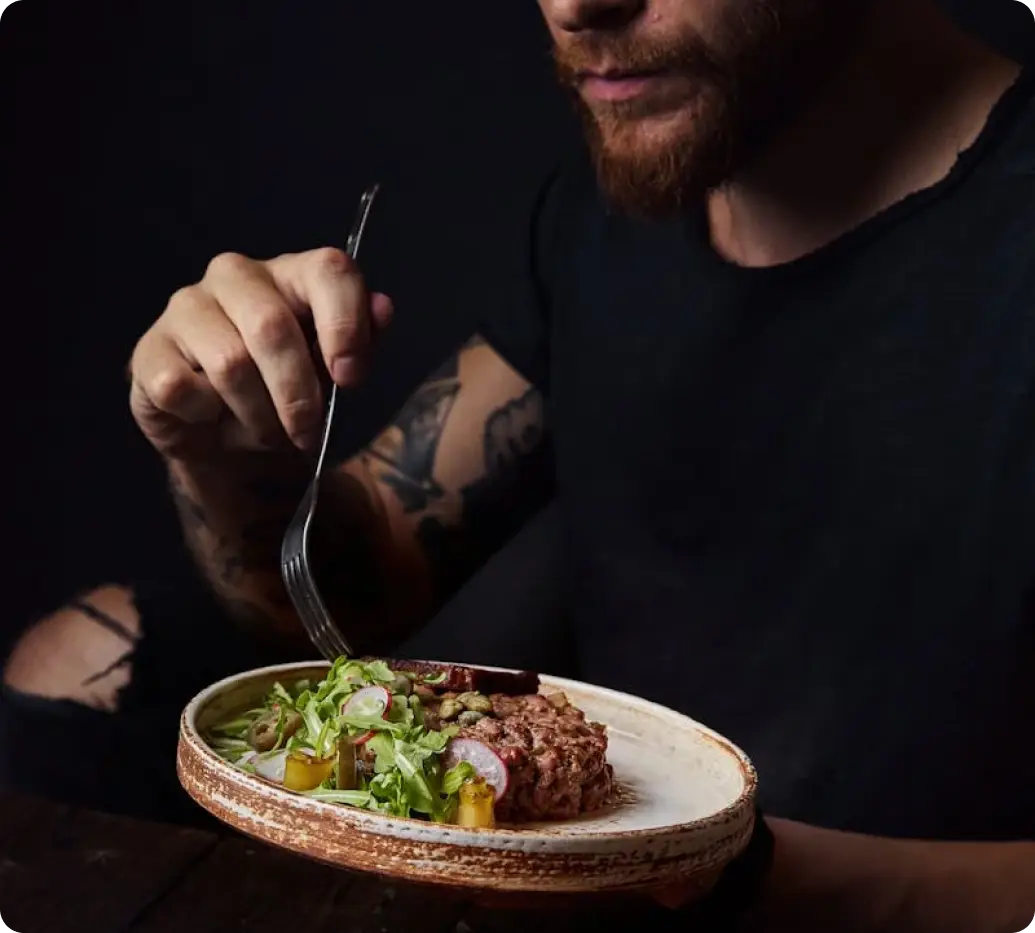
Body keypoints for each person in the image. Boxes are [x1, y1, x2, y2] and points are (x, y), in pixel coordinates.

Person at [4, 0, 1035, 928]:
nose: (574, 6)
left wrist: (722, 870)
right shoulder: (621, 207)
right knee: (75, 659)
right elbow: (347, 597)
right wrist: (225, 452)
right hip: (564, 880)